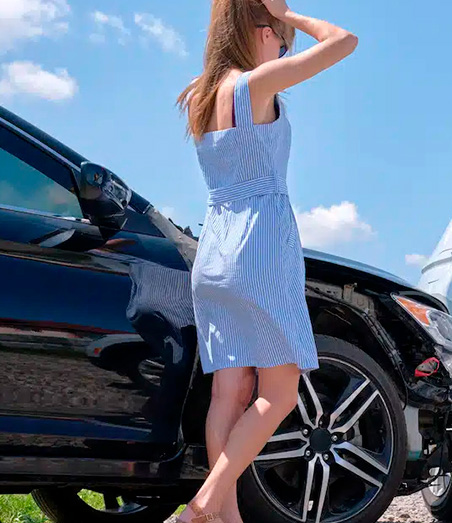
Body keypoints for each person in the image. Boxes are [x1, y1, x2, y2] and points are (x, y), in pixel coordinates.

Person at [174, 0, 357, 521]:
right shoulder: (254, 85)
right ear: (259, 31)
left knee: (229, 391)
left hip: (214, 252)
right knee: (279, 391)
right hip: (259, 249)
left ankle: (225, 516)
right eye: (279, 38)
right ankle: (205, 504)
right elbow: (344, 41)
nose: (282, 47)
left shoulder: (198, 95)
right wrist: (292, 12)